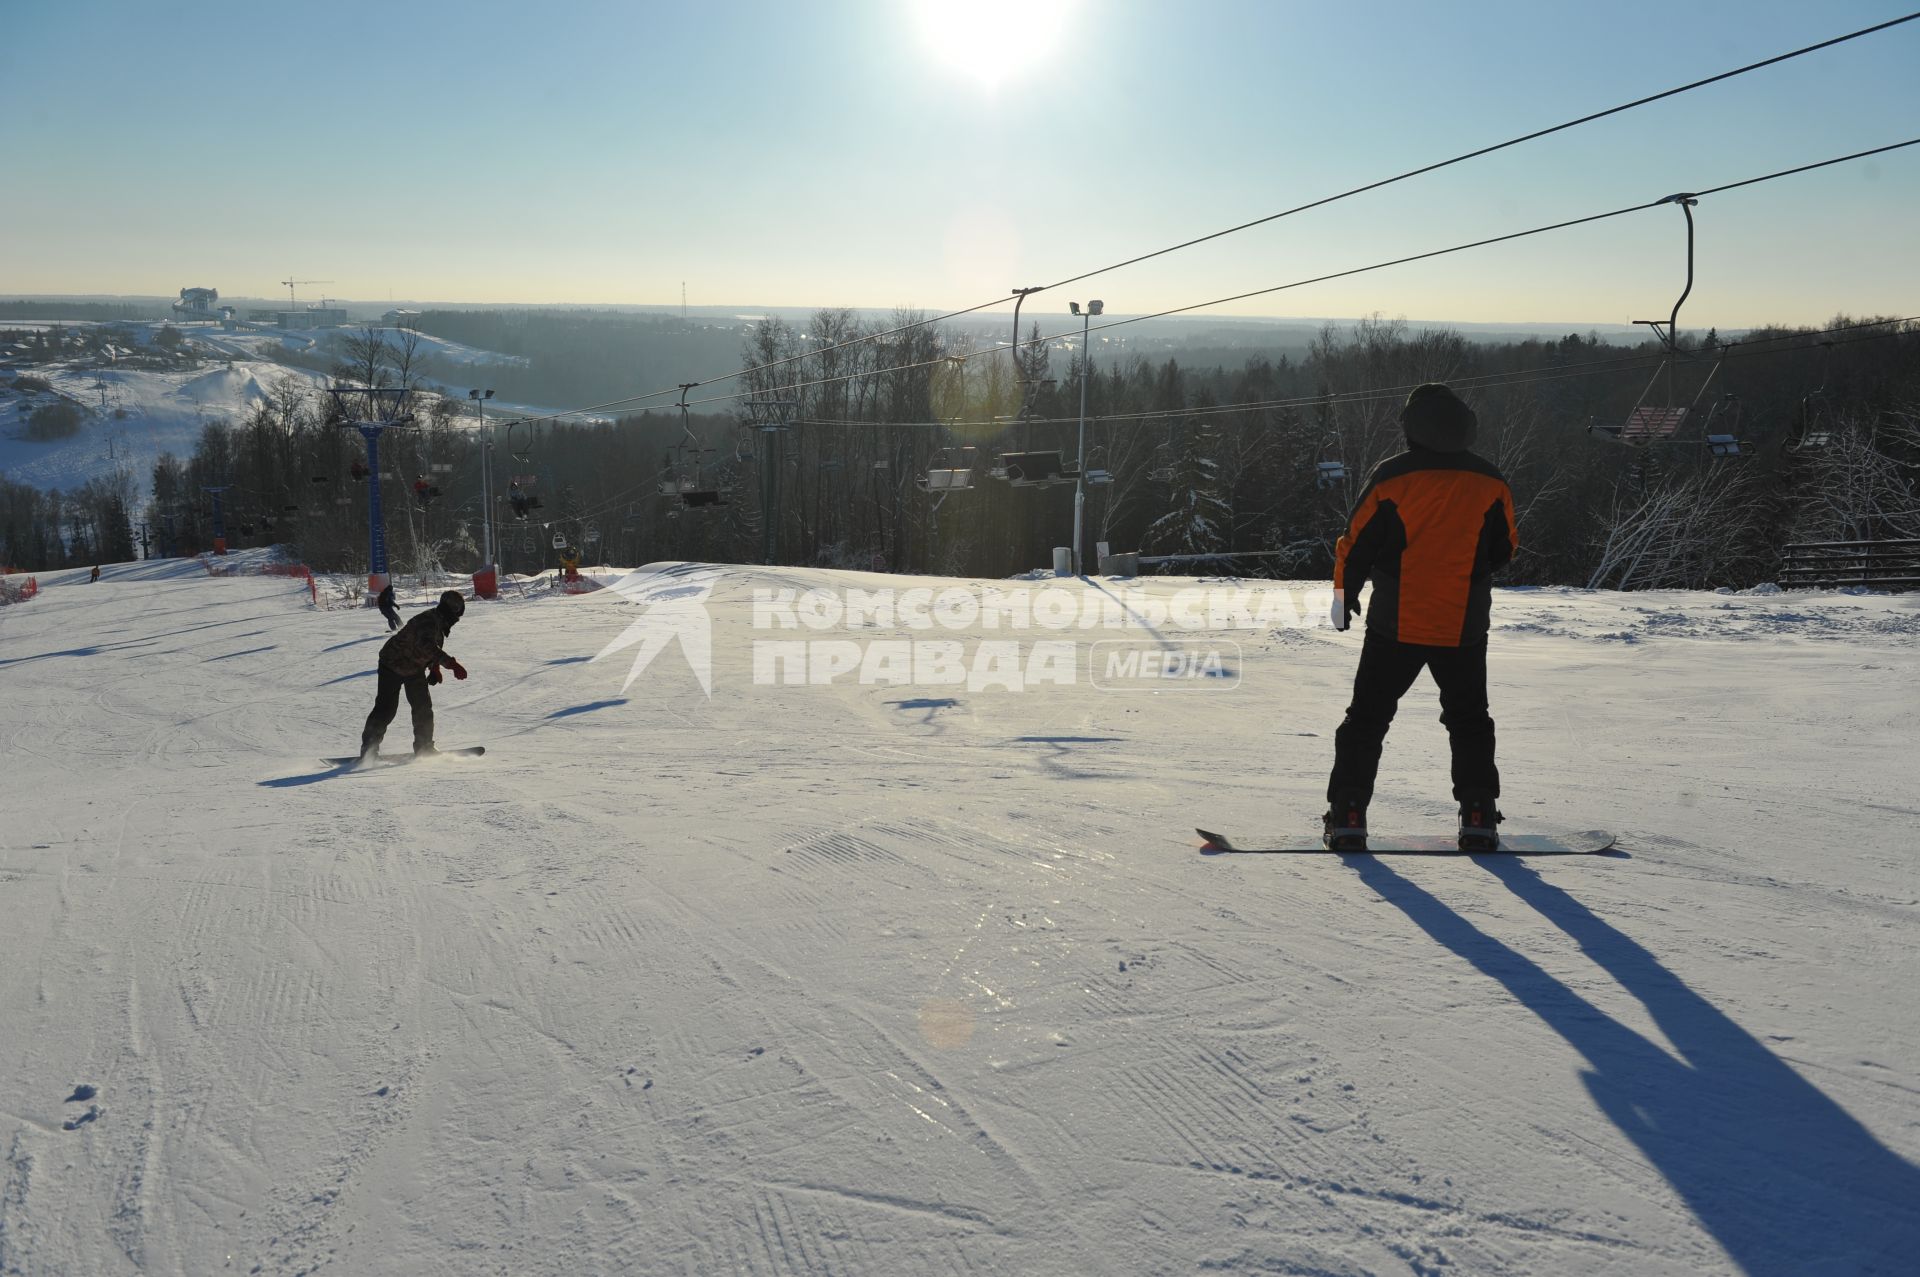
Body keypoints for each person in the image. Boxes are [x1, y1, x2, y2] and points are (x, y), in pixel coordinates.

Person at [1324, 383, 1518, 852]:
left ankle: (1349, 816)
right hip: (1463, 625)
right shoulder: (1490, 481)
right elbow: (1504, 548)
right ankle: (1478, 817)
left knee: (1366, 721)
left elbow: (1355, 543)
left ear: (1411, 427)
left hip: (1396, 623)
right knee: (1470, 720)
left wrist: (1342, 594)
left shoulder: (1391, 478)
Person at [361, 589, 468, 761]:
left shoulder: (437, 622)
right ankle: (368, 750)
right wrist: (452, 665)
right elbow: (426, 645)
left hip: (413, 668)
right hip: (392, 664)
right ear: (451, 611)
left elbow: (431, 648)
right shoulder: (428, 621)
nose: (457, 619)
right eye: (457, 614)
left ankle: (424, 747)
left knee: (422, 708)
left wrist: (434, 668)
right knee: (386, 709)